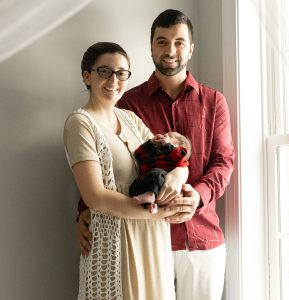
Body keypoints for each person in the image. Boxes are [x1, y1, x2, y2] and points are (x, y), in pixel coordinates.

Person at [77, 9, 235, 300]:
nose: (170, 50)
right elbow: (108, 161)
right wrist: (83, 213)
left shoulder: (214, 102)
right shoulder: (126, 102)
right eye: (161, 41)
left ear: (190, 48)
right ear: (151, 46)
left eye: (178, 42)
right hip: (143, 237)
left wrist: (197, 196)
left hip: (201, 238)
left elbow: (224, 161)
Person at [64, 42, 188, 300]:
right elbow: (95, 198)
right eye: (105, 71)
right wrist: (160, 214)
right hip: (115, 244)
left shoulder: (131, 119)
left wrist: (178, 177)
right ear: (87, 75)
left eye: (122, 73)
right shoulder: (80, 124)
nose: (114, 80)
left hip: (153, 241)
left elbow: (172, 160)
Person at [129, 131, 191, 214]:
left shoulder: (177, 157)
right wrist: (151, 142)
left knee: (156, 172)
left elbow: (181, 155)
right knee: (134, 186)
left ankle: (150, 195)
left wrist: (168, 145)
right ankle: (150, 205)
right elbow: (138, 154)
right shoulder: (154, 151)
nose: (164, 135)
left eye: (169, 135)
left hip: (162, 184)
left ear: (178, 145)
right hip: (146, 181)